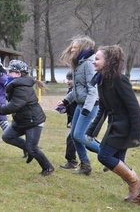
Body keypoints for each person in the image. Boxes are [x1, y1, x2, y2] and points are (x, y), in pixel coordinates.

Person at [86, 44, 140, 205]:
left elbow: (133, 107)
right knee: (119, 161)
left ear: (108, 61)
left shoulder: (120, 80)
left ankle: (135, 184)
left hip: (125, 126)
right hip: (115, 124)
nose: (94, 62)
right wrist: (92, 130)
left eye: (97, 59)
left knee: (104, 155)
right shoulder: (101, 81)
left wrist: (138, 133)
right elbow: (103, 108)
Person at [0, 60, 55, 176]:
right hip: (21, 120)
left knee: (32, 148)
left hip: (33, 121)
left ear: (19, 74)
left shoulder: (22, 88)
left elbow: (12, 107)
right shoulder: (15, 84)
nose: (8, 73)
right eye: (8, 71)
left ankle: (48, 168)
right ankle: (28, 149)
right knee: (7, 136)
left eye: (11, 71)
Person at [57, 36, 100, 176]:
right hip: (80, 105)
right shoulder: (79, 63)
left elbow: (93, 89)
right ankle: (85, 165)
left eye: (75, 47)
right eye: (72, 46)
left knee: (80, 135)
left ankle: (109, 155)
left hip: (90, 106)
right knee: (74, 136)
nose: (72, 49)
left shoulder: (88, 64)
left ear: (83, 48)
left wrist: (87, 109)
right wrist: (65, 101)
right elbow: (77, 89)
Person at [58, 71, 78, 169]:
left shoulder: (78, 91)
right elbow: (71, 106)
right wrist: (65, 109)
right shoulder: (71, 90)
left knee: (72, 139)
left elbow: (77, 108)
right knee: (79, 140)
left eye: (70, 79)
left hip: (78, 118)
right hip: (74, 118)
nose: (68, 81)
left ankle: (72, 161)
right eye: (67, 79)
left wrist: (72, 120)